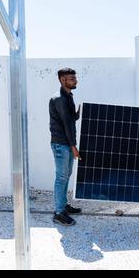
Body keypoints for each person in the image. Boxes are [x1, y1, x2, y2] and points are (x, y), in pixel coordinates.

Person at [49, 68, 82, 226]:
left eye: (75, 78)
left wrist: (78, 112)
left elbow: (70, 118)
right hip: (61, 144)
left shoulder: (68, 96)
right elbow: (67, 125)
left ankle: (63, 206)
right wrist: (73, 147)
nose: (75, 81)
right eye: (71, 79)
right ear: (62, 80)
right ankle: (58, 212)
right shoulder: (60, 98)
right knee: (61, 177)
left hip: (66, 143)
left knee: (66, 175)